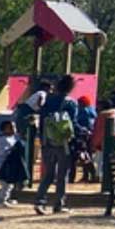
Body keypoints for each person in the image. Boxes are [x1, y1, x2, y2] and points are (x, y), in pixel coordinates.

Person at [34, 75, 78, 216]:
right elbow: (73, 123)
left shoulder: (48, 100)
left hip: (48, 141)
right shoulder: (71, 103)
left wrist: (42, 137)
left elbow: (42, 120)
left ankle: (39, 201)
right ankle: (59, 204)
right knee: (62, 174)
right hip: (63, 142)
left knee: (48, 173)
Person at [0, 121, 19, 207]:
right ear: (4, 130)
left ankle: (7, 198)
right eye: (10, 128)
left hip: (8, 164)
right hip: (1, 163)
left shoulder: (14, 138)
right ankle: (1, 200)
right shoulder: (1, 139)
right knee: (6, 182)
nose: (13, 129)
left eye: (14, 127)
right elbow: (4, 151)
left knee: (10, 182)